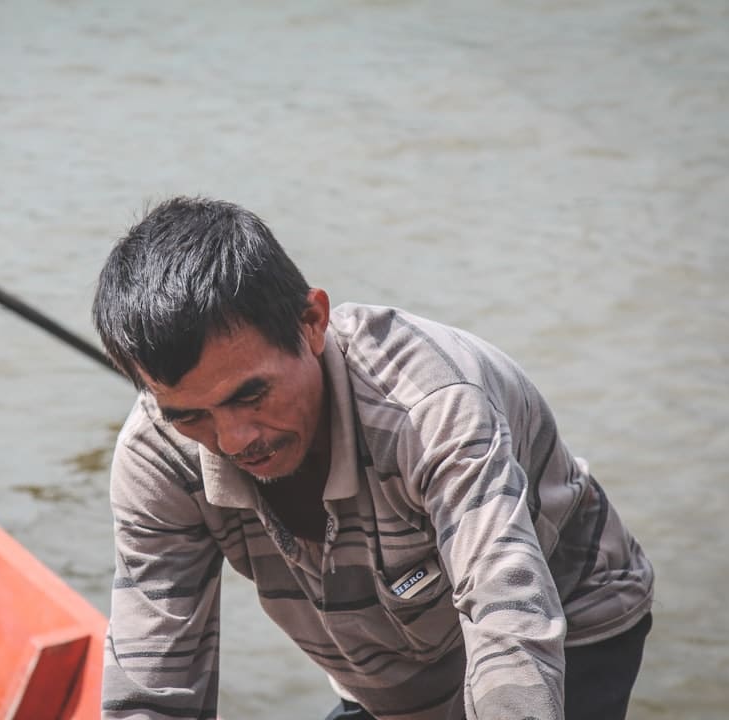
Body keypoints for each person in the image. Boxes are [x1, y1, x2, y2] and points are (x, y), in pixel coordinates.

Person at [91, 196, 654, 720]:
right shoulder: (157, 457)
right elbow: (155, 675)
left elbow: (507, 617)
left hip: (565, 620)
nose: (235, 440)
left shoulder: (432, 407)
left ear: (312, 323)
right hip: (385, 665)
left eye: (250, 395)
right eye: (192, 415)